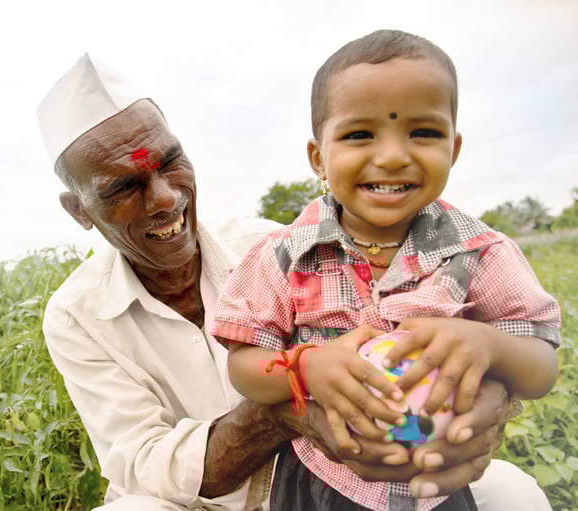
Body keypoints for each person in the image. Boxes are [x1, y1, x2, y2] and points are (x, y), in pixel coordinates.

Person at [36, 53, 549, 511]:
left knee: (512, 493)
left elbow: (513, 342)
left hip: (358, 472)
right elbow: (144, 463)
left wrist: (485, 398)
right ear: (80, 211)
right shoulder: (77, 314)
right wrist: (292, 406)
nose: (166, 198)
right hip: (208, 503)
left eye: (170, 162)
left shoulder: (279, 243)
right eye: (124, 187)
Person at [213, 30, 560, 511]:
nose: (394, 156)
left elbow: (540, 368)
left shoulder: (480, 253)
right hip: (321, 481)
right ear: (319, 157)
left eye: (424, 132)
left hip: (439, 479)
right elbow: (245, 364)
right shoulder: (284, 255)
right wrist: (307, 368)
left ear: (453, 150)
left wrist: (490, 346)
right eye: (359, 135)